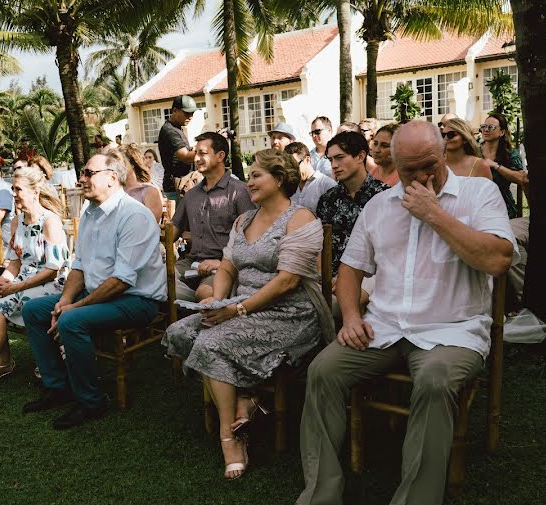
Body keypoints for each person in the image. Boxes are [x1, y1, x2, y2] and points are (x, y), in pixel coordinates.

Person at [268, 121, 517, 505]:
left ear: (443, 154)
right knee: (323, 370)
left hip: (452, 330)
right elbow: (348, 271)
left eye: (429, 167)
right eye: (409, 171)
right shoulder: (380, 206)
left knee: (436, 381)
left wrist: (434, 214)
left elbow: (498, 260)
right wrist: (348, 316)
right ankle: (321, 502)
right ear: (391, 166)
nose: (421, 179)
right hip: (383, 328)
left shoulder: (479, 196)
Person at [163, 149, 331, 479]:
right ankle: (246, 397)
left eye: (256, 176)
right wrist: (218, 302)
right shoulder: (243, 220)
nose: (249, 182)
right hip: (239, 309)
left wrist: (234, 309)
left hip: (289, 314)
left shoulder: (301, 219)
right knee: (179, 332)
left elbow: (287, 281)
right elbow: (227, 267)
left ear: (280, 179)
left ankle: (232, 436)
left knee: (210, 343)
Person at [20, 152, 166, 430]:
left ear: (112, 178)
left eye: (89, 173)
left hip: (138, 300)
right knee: (34, 310)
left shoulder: (134, 215)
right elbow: (81, 265)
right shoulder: (89, 212)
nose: (81, 178)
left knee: (71, 320)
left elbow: (123, 280)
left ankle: (90, 401)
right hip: (99, 295)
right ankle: (58, 386)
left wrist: (75, 308)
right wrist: (64, 300)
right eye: (83, 173)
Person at [0, 167, 70, 406]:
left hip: (52, 284)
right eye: (13, 189)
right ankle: (4, 362)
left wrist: (13, 288)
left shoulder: (50, 221)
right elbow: (15, 262)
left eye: (18, 189)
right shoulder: (18, 221)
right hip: (22, 281)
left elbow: (54, 270)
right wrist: (3, 280)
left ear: (35, 191)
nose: (14, 194)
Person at [171, 132, 255, 302]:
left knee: (205, 293)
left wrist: (223, 263)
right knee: (155, 284)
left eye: (202, 153)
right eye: (195, 153)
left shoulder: (239, 191)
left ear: (220, 156)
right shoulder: (191, 195)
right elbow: (173, 230)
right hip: (191, 263)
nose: (196, 159)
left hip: (225, 264)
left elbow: (251, 238)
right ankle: (196, 306)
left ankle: (198, 305)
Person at [317, 132, 389, 279]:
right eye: (331, 160)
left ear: (360, 156)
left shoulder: (385, 196)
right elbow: (321, 248)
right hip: (331, 283)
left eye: (340, 157)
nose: (334, 165)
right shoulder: (327, 200)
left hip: (374, 282)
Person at [480, 113, 525, 218]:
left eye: (491, 127)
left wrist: (496, 166)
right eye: (484, 126)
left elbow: (521, 178)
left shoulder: (510, 154)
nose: (486, 130)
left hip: (503, 209)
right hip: (478, 208)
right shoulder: (474, 152)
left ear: (502, 132)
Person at [158, 95, 199, 201]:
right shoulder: (170, 131)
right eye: (187, 113)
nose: (190, 116)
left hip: (182, 185)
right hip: (175, 188)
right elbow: (185, 157)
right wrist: (207, 148)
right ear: (175, 110)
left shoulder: (177, 129)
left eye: (192, 113)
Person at [115, 144, 166, 222]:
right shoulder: (115, 191)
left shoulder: (149, 191)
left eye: (121, 163)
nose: (116, 167)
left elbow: (150, 226)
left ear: (132, 164)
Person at [285, 141, 337, 213]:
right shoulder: (289, 187)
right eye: (288, 167)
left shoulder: (327, 185)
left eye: (294, 166)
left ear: (307, 160)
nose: (292, 171)